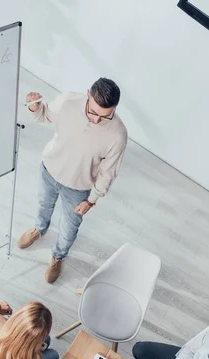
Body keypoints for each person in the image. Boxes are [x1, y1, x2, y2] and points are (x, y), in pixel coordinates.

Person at [17, 77, 128, 283]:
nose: (96, 120)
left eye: (105, 116)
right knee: (43, 204)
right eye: (93, 112)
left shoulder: (118, 134)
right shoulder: (68, 102)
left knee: (69, 229)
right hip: (49, 169)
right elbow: (45, 116)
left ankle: (58, 256)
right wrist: (35, 107)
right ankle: (39, 230)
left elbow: (108, 172)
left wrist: (91, 200)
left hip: (78, 188)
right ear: (87, 95)